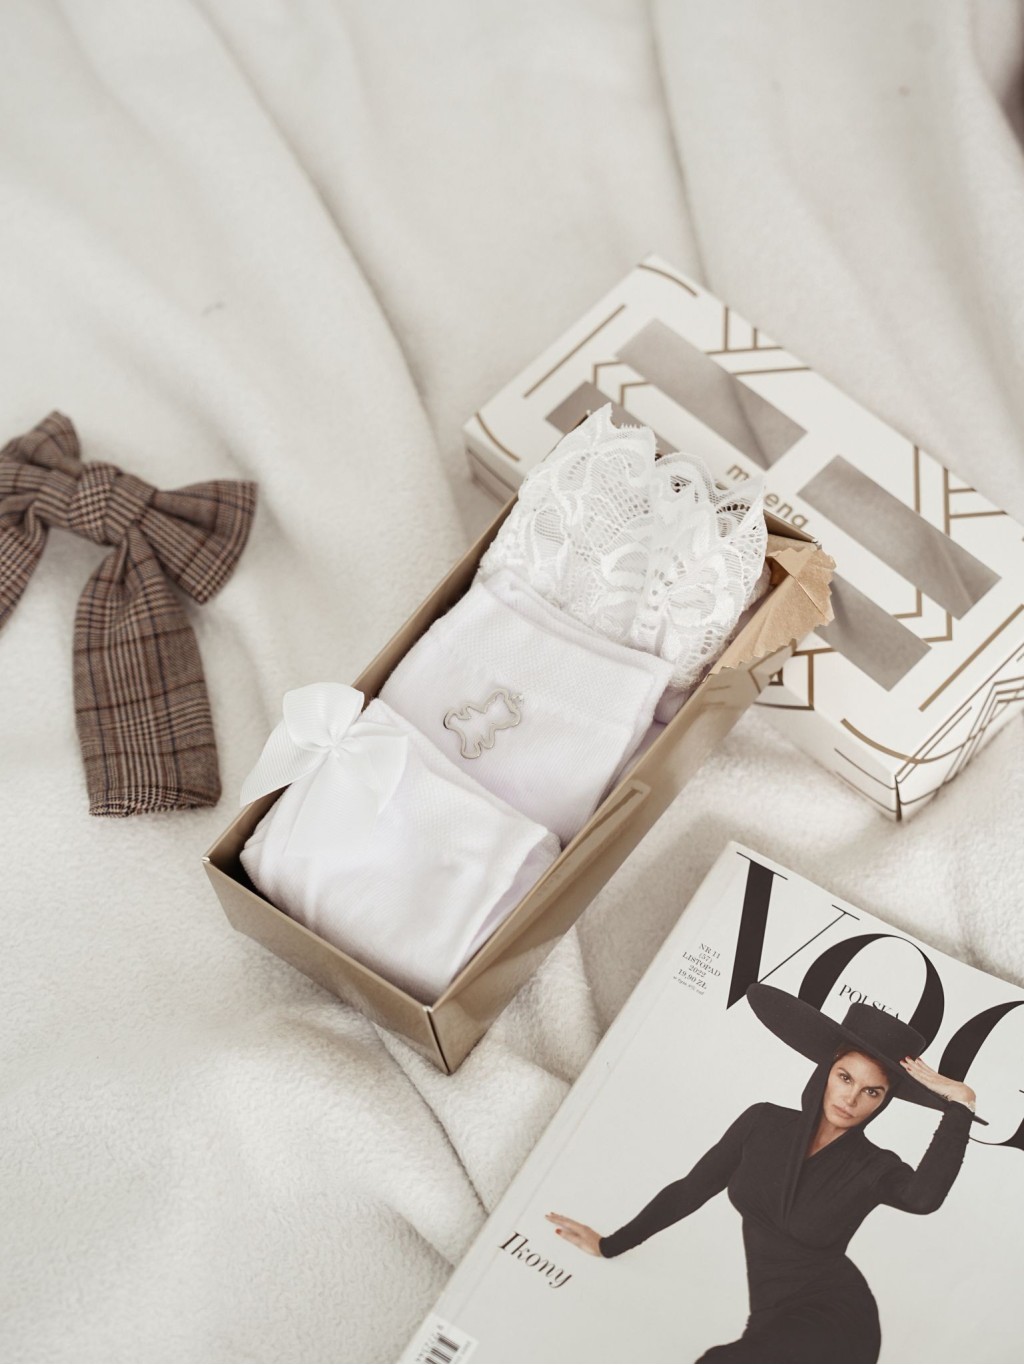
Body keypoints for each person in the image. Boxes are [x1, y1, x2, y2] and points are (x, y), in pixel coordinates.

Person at [547, 984, 980, 1365]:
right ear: (826, 1072)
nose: (851, 1099)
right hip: (770, 1316)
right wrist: (610, 1245)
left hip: (835, 1319)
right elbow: (690, 1190)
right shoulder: (763, 1123)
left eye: (871, 1091)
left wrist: (960, 1104)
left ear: (883, 1101)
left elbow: (923, 1198)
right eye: (845, 1077)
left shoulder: (874, 1166)